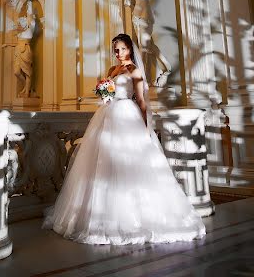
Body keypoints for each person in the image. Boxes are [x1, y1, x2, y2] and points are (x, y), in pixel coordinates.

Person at [43, 33, 205, 245]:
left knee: (128, 163)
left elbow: (141, 100)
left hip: (127, 117)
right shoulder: (113, 70)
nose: (118, 53)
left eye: (122, 49)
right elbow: (106, 94)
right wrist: (105, 92)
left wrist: (146, 126)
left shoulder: (134, 71)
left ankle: (134, 216)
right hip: (108, 114)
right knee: (103, 162)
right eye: (115, 50)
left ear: (130, 49)